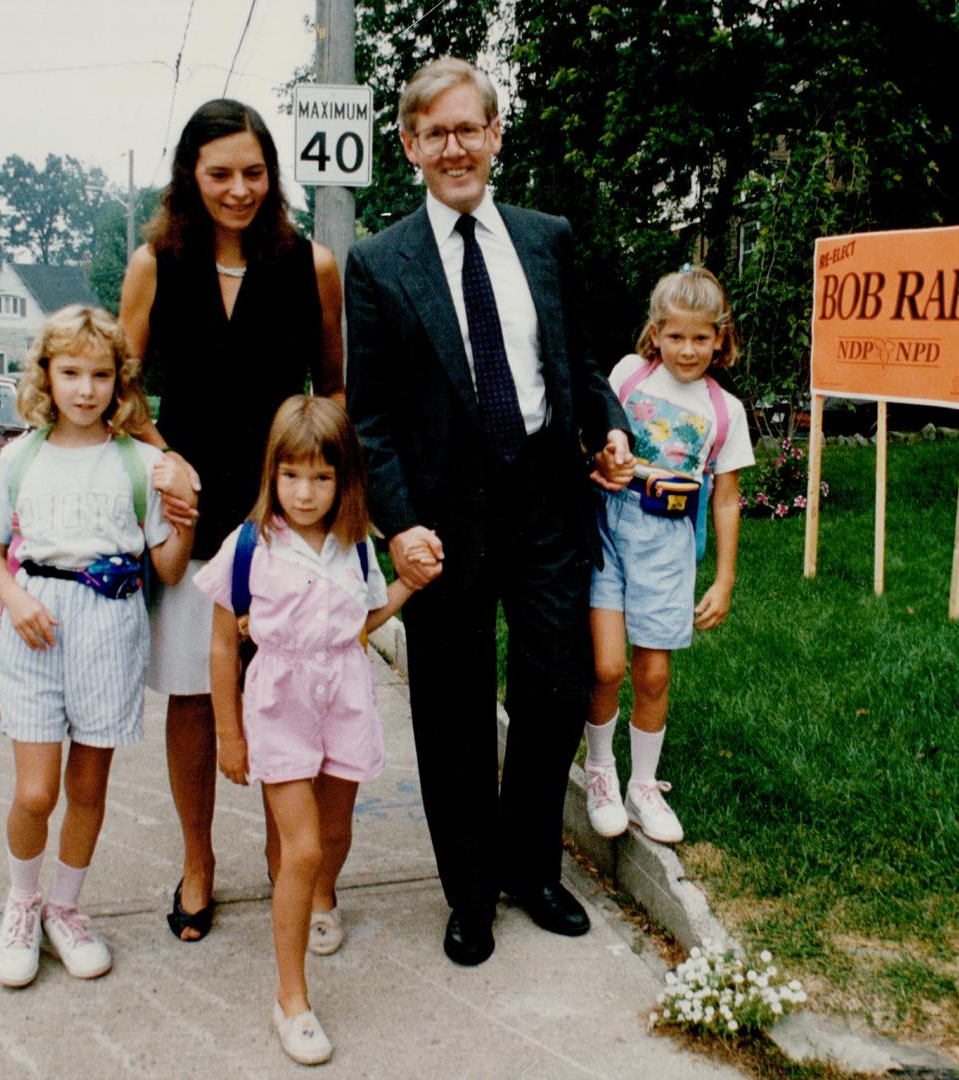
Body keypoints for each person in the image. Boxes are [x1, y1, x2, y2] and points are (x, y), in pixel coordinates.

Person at [344, 56, 635, 967]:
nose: (455, 146)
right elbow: (372, 415)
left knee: (556, 687)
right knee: (454, 709)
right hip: (443, 521)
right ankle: (469, 892)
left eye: (470, 127)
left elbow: (579, 362)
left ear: (496, 134)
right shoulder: (378, 262)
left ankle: (531, 868)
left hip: (548, 501)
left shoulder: (545, 238)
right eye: (435, 133)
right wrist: (398, 524)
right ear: (410, 146)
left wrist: (610, 429)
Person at [118, 98, 345, 942]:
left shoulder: (310, 264)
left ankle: (297, 866)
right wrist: (163, 457)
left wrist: (322, 492)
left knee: (293, 692)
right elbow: (122, 386)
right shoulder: (154, 264)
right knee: (192, 697)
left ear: (272, 174)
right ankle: (197, 860)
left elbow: (334, 386)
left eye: (254, 172)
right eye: (220, 174)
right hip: (193, 510)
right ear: (190, 176)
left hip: (290, 517)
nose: (239, 189)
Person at [195, 395, 436, 1064]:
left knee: (333, 835)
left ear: (346, 480)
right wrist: (228, 733)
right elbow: (221, 647)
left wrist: (407, 586)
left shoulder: (355, 547)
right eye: (292, 476)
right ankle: (291, 997)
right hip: (278, 707)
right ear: (271, 473)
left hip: (346, 700)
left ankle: (321, 895)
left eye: (322, 477)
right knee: (299, 849)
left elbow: (361, 623)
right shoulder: (249, 547)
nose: (304, 493)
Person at [0, 305, 196, 988]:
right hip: (35, 627)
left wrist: (185, 512)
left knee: (88, 786)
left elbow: (167, 568)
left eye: (101, 374)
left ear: (121, 382)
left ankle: (65, 910)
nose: (85, 389)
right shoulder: (22, 455)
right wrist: (16, 599)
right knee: (37, 791)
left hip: (109, 627)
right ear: (47, 374)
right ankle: (22, 903)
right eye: (70, 372)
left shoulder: (144, 463)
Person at [582, 267, 755, 844]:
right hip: (610, 527)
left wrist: (724, 579)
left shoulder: (724, 411)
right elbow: (596, 435)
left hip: (668, 543)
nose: (687, 349)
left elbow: (726, 500)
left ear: (719, 339)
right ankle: (601, 772)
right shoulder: (630, 376)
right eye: (675, 336)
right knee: (606, 665)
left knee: (652, 673)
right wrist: (600, 464)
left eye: (701, 337)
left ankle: (643, 786)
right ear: (654, 333)